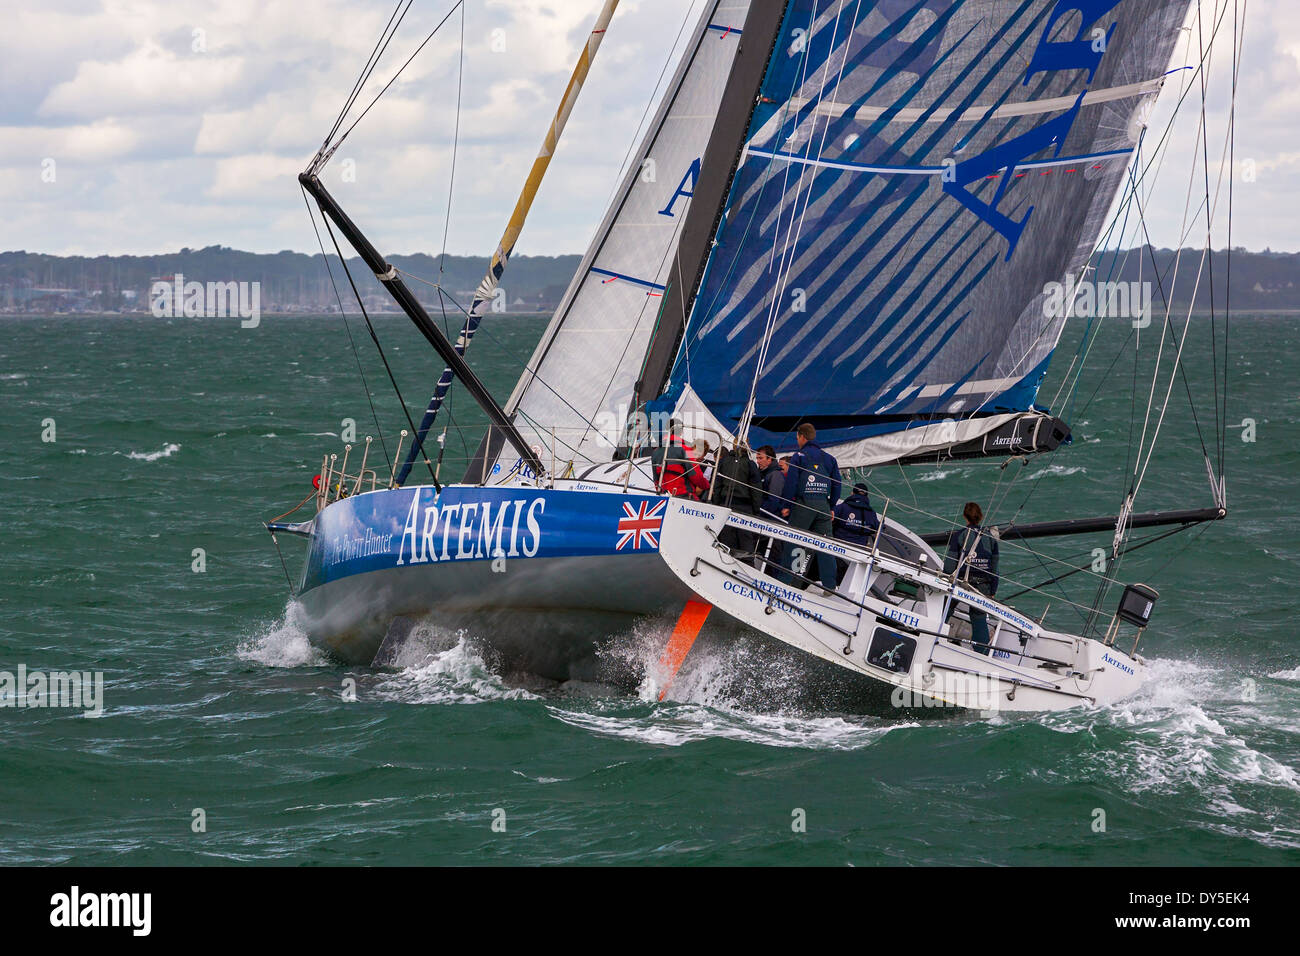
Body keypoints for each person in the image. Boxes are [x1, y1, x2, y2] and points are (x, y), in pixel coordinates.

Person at [776, 423, 842, 594]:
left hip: (804, 504)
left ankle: (787, 580)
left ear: (801, 437)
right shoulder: (830, 459)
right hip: (823, 506)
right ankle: (829, 586)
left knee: (795, 541)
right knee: (825, 545)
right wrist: (831, 506)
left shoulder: (799, 457)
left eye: (797, 437)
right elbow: (837, 485)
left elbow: (792, 483)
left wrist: (786, 505)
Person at [943, 501, 1000, 655]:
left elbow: (950, 564)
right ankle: (980, 654)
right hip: (983, 585)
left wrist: (945, 578)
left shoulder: (960, 535)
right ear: (980, 517)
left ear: (964, 516)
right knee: (978, 617)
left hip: (961, 582)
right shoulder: (990, 537)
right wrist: (992, 590)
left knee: (946, 608)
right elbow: (994, 567)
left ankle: (936, 638)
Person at [711, 443, 763, 564]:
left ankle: (723, 564)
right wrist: (756, 509)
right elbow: (756, 489)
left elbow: (717, 485)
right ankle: (748, 566)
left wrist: (716, 504)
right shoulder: (750, 464)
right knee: (746, 542)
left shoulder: (723, 462)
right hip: (744, 506)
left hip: (725, 504)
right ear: (748, 447)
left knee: (726, 540)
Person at [656, 423, 709, 500]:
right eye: (696, 451)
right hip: (679, 493)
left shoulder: (706, 467)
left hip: (676, 493)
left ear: (704, 455)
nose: (697, 455)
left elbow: (698, 490)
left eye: (701, 453)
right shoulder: (685, 454)